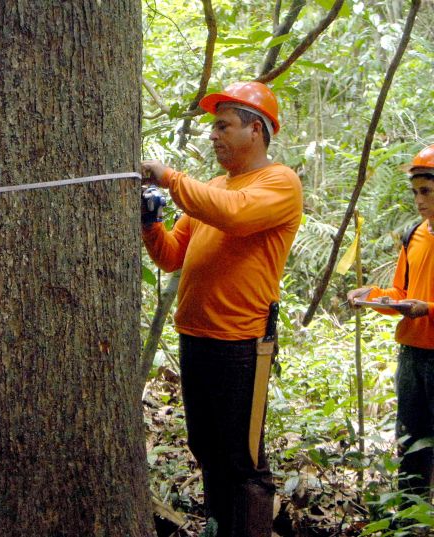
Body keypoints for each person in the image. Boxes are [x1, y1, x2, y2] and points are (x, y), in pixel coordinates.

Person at [140, 81, 303, 537]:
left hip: (241, 345)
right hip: (196, 338)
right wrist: (150, 222)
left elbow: (234, 214)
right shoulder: (213, 187)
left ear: (256, 130)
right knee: (207, 450)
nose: (213, 135)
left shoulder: (279, 183)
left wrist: (170, 179)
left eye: (223, 125)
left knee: (242, 461)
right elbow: (172, 255)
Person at [347, 144, 434, 503]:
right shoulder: (414, 235)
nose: (419, 200)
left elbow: (419, 303)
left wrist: (427, 309)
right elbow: (402, 293)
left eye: (426, 191)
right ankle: (412, 516)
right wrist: (373, 295)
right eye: (415, 192)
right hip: (412, 355)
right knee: (411, 440)